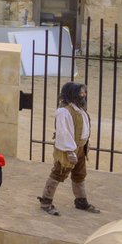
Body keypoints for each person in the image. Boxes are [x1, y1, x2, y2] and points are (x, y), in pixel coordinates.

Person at [39, 81, 101, 216]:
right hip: (68, 150)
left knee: (79, 174)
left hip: (80, 148)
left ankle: (81, 201)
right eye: (81, 92)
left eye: (84, 92)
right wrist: (69, 150)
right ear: (72, 94)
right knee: (58, 173)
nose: (83, 95)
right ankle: (46, 201)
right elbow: (63, 132)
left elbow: (83, 128)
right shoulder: (64, 111)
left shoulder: (80, 109)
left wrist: (84, 145)